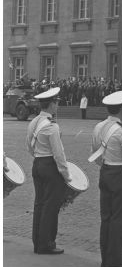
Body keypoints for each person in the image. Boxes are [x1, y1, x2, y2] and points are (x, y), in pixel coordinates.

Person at [91, 90, 122, 267]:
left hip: (105, 171)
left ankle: (106, 258)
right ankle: (116, 260)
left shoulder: (98, 127)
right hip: (120, 175)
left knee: (106, 217)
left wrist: (103, 166)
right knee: (120, 218)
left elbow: (95, 153)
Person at [26, 87, 70, 255]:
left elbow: (28, 145)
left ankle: (37, 241)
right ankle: (46, 243)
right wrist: (66, 175)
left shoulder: (34, 122)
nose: (57, 105)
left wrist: (38, 156)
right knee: (51, 206)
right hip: (50, 166)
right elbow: (59, 155)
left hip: (37, 163)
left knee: (39, 204)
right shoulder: (52, 127)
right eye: (56, 103)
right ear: (51, 105)